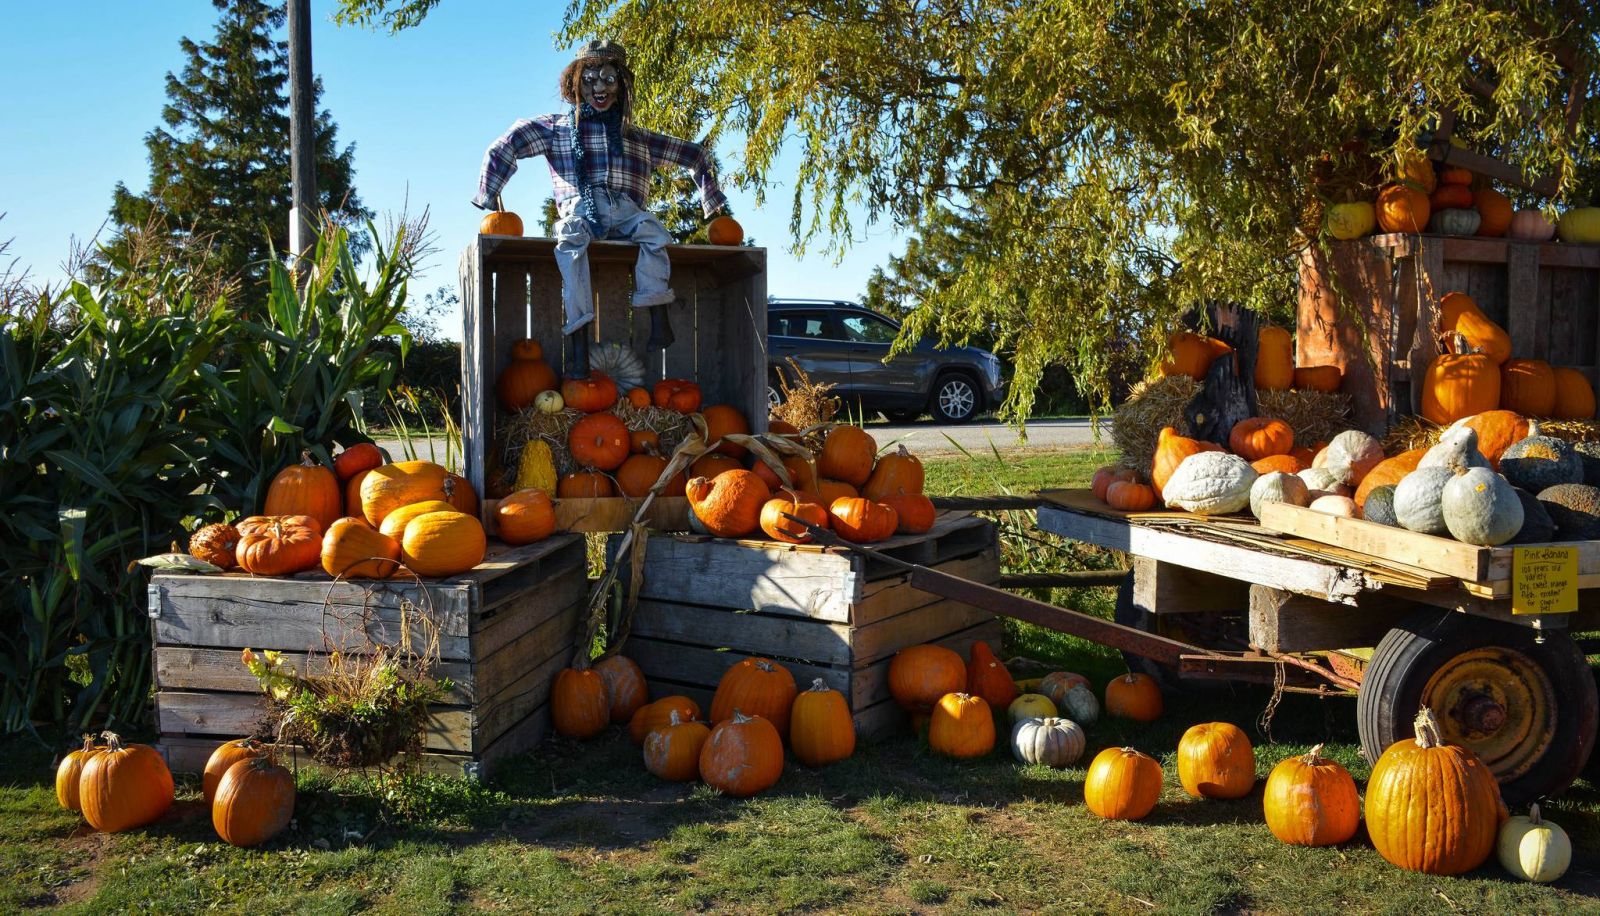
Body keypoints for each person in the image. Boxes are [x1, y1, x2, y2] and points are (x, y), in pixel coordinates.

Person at [472, 40, 729, 377]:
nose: (599, 88)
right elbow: (509, 142)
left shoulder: (636, 137)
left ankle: (658, 315)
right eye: (590, 80)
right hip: (580, 209)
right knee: (569, 245)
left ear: (621, 85)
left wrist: (713, 203)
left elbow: (696, 155)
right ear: (575, 83)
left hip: (628, 211)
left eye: (608, 79)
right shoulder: (557, 129)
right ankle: (579, 340)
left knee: (654, 233)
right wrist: (490, 193)